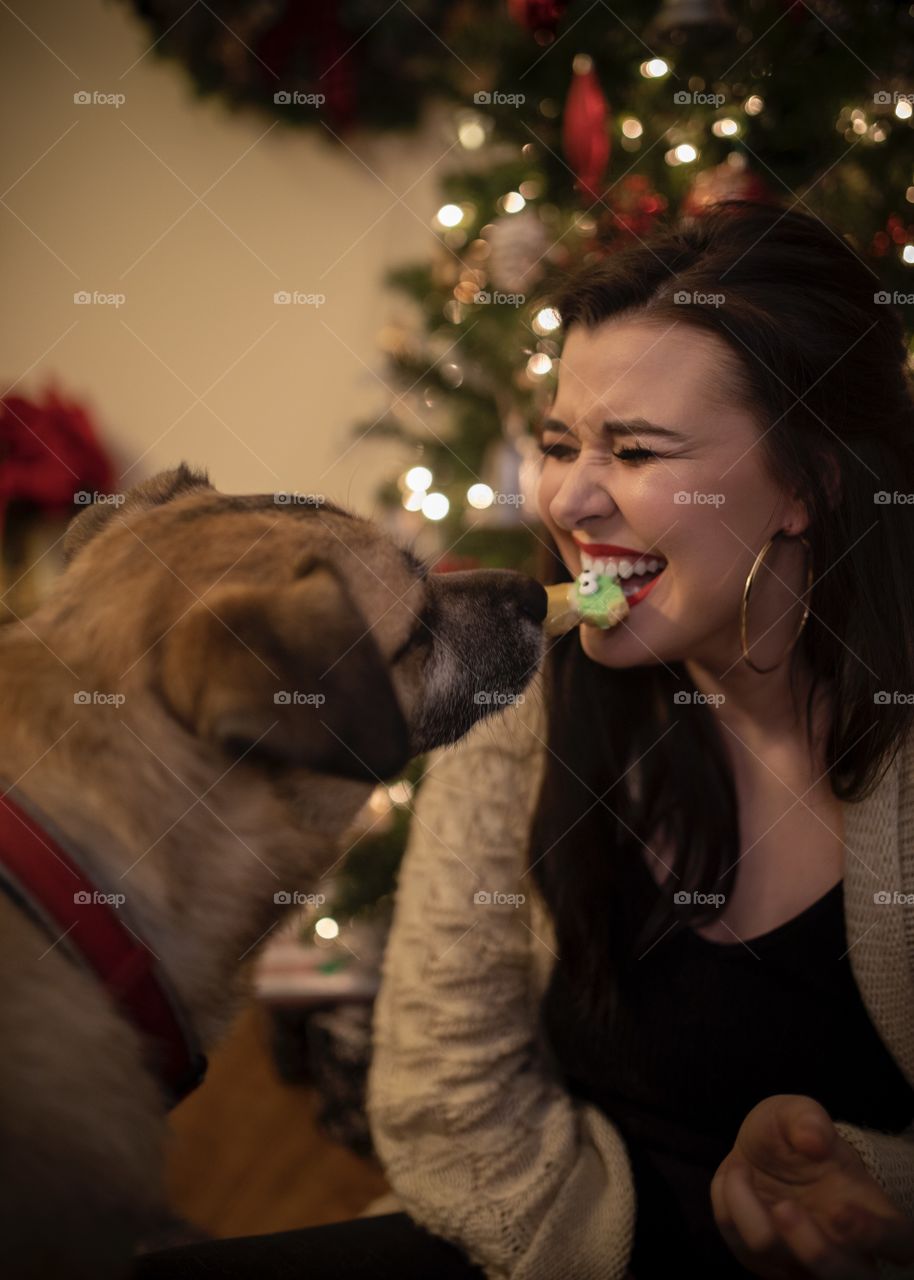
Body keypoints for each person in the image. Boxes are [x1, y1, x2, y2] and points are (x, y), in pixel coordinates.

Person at [135, 203, 914, 1279]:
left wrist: (864, 1187)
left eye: (633, 450)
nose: (566, 496)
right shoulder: (522, 697)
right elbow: (440, 1091)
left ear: (806, 484)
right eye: (557, 443)